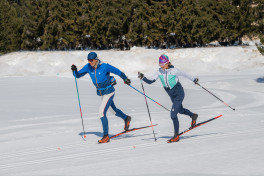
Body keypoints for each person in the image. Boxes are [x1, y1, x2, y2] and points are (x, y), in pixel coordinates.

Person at [71, 52, 132, 143]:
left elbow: (118, 72)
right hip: (102, 93)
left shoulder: (105, 66)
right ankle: (126, 118)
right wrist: (74, 70)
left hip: (109, 92)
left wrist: (125, 79)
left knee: (102, 112)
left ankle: (106, 136)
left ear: (96, 59)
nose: (90, 62)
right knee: (113, 110)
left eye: (91, 60)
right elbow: (78, 75)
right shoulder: (88, 67)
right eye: (88, 60)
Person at [138, 54, 199, 143]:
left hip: (179, 93)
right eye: (160, 64)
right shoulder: (159, 72)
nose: (161, 66)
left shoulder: (174, 70)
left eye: (163, 64)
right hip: (171, 94)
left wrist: (194, 79)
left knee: (173, 115)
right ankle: (193, 116)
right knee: (180, 110)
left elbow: (185, 74)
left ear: (167, 63)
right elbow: (151, 81)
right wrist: (143, 77)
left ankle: (176, 136)